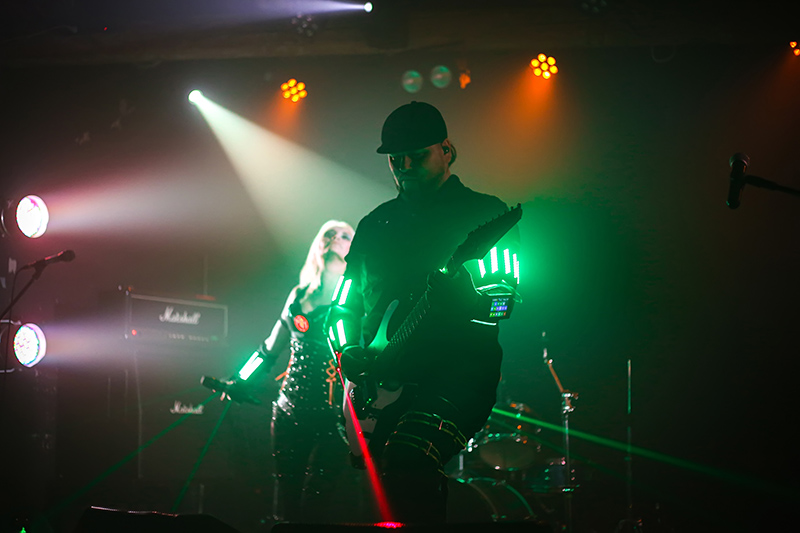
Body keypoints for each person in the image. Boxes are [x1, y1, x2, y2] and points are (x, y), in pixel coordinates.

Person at [326, 101, 520, 523]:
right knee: (382, 496)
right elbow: (342, 306)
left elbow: (507, 303)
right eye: (397, 159)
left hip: (459, 378)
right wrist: (346, 350)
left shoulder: (485, 214)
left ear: (446, 150)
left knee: (410, 458)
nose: (406, 166)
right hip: (378, 386)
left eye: (418, 155)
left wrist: (472, 304)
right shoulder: (374, 225)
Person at [217, 220, 358, 523]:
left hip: (335, 416)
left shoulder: (356, 295)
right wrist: (240, 380)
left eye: (345, 235)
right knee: (286, 501)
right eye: (329, 234)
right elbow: (269, 348)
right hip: (288, 411)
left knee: (316, 500)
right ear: (318, 244)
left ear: (354, 248)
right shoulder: (298, 295)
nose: (336, 238)